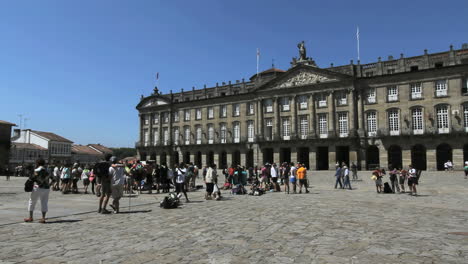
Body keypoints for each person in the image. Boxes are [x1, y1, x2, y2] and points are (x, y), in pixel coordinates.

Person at [24, 159, 52, 223]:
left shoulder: (36, 171)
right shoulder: (47, 171)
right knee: (44, 202)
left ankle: (30, 217)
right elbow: (54, 179)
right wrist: (49, 185)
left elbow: (31, 179)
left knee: (32, 202)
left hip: (37, 188)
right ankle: (43, 218)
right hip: (46, 189)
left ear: (37, 163)